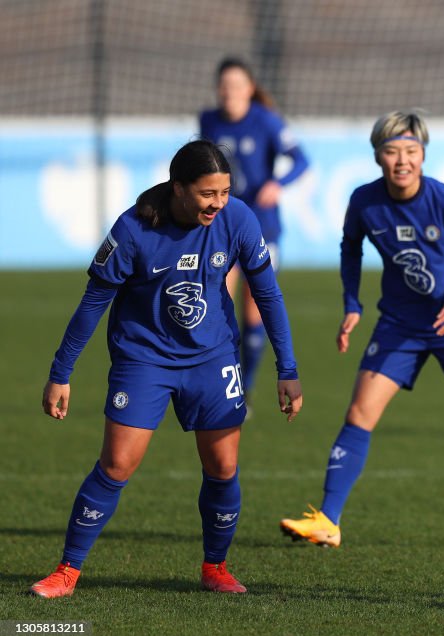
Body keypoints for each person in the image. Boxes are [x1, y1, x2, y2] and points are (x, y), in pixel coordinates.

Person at [30, 140, 303, 598]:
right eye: (207, 193)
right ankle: (67, 571)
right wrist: (62, 372)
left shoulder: (238, 218)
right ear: (179, 188)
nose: (218, 203)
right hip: (144, 360)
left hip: (212, 359)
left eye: (225, 192)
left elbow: (269, 295)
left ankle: (215, 567)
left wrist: (287, 368)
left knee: (223, 466)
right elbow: (93, 304)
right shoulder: (133, 229)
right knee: (116, 465)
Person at [279, 111, 444, 553]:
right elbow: (350, 247)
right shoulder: (365, 202)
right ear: (377, 157)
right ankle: (328, 521)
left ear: (423, 155)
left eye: (410, 151)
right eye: (391, 152)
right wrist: (352, 303)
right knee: (359, 414)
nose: (401, 160)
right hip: (398, 323)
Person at [200, 57, 309, 403]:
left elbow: (301, 159)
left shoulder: (266, 121)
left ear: (249, 89)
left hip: (262, 225)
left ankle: (243, 388)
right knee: (215, 300)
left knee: (253, 309)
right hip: (222, 223)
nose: (229, 92)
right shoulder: (209, 120)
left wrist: (278, 183)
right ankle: (218, 380)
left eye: (236, 85)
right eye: (224, 86)